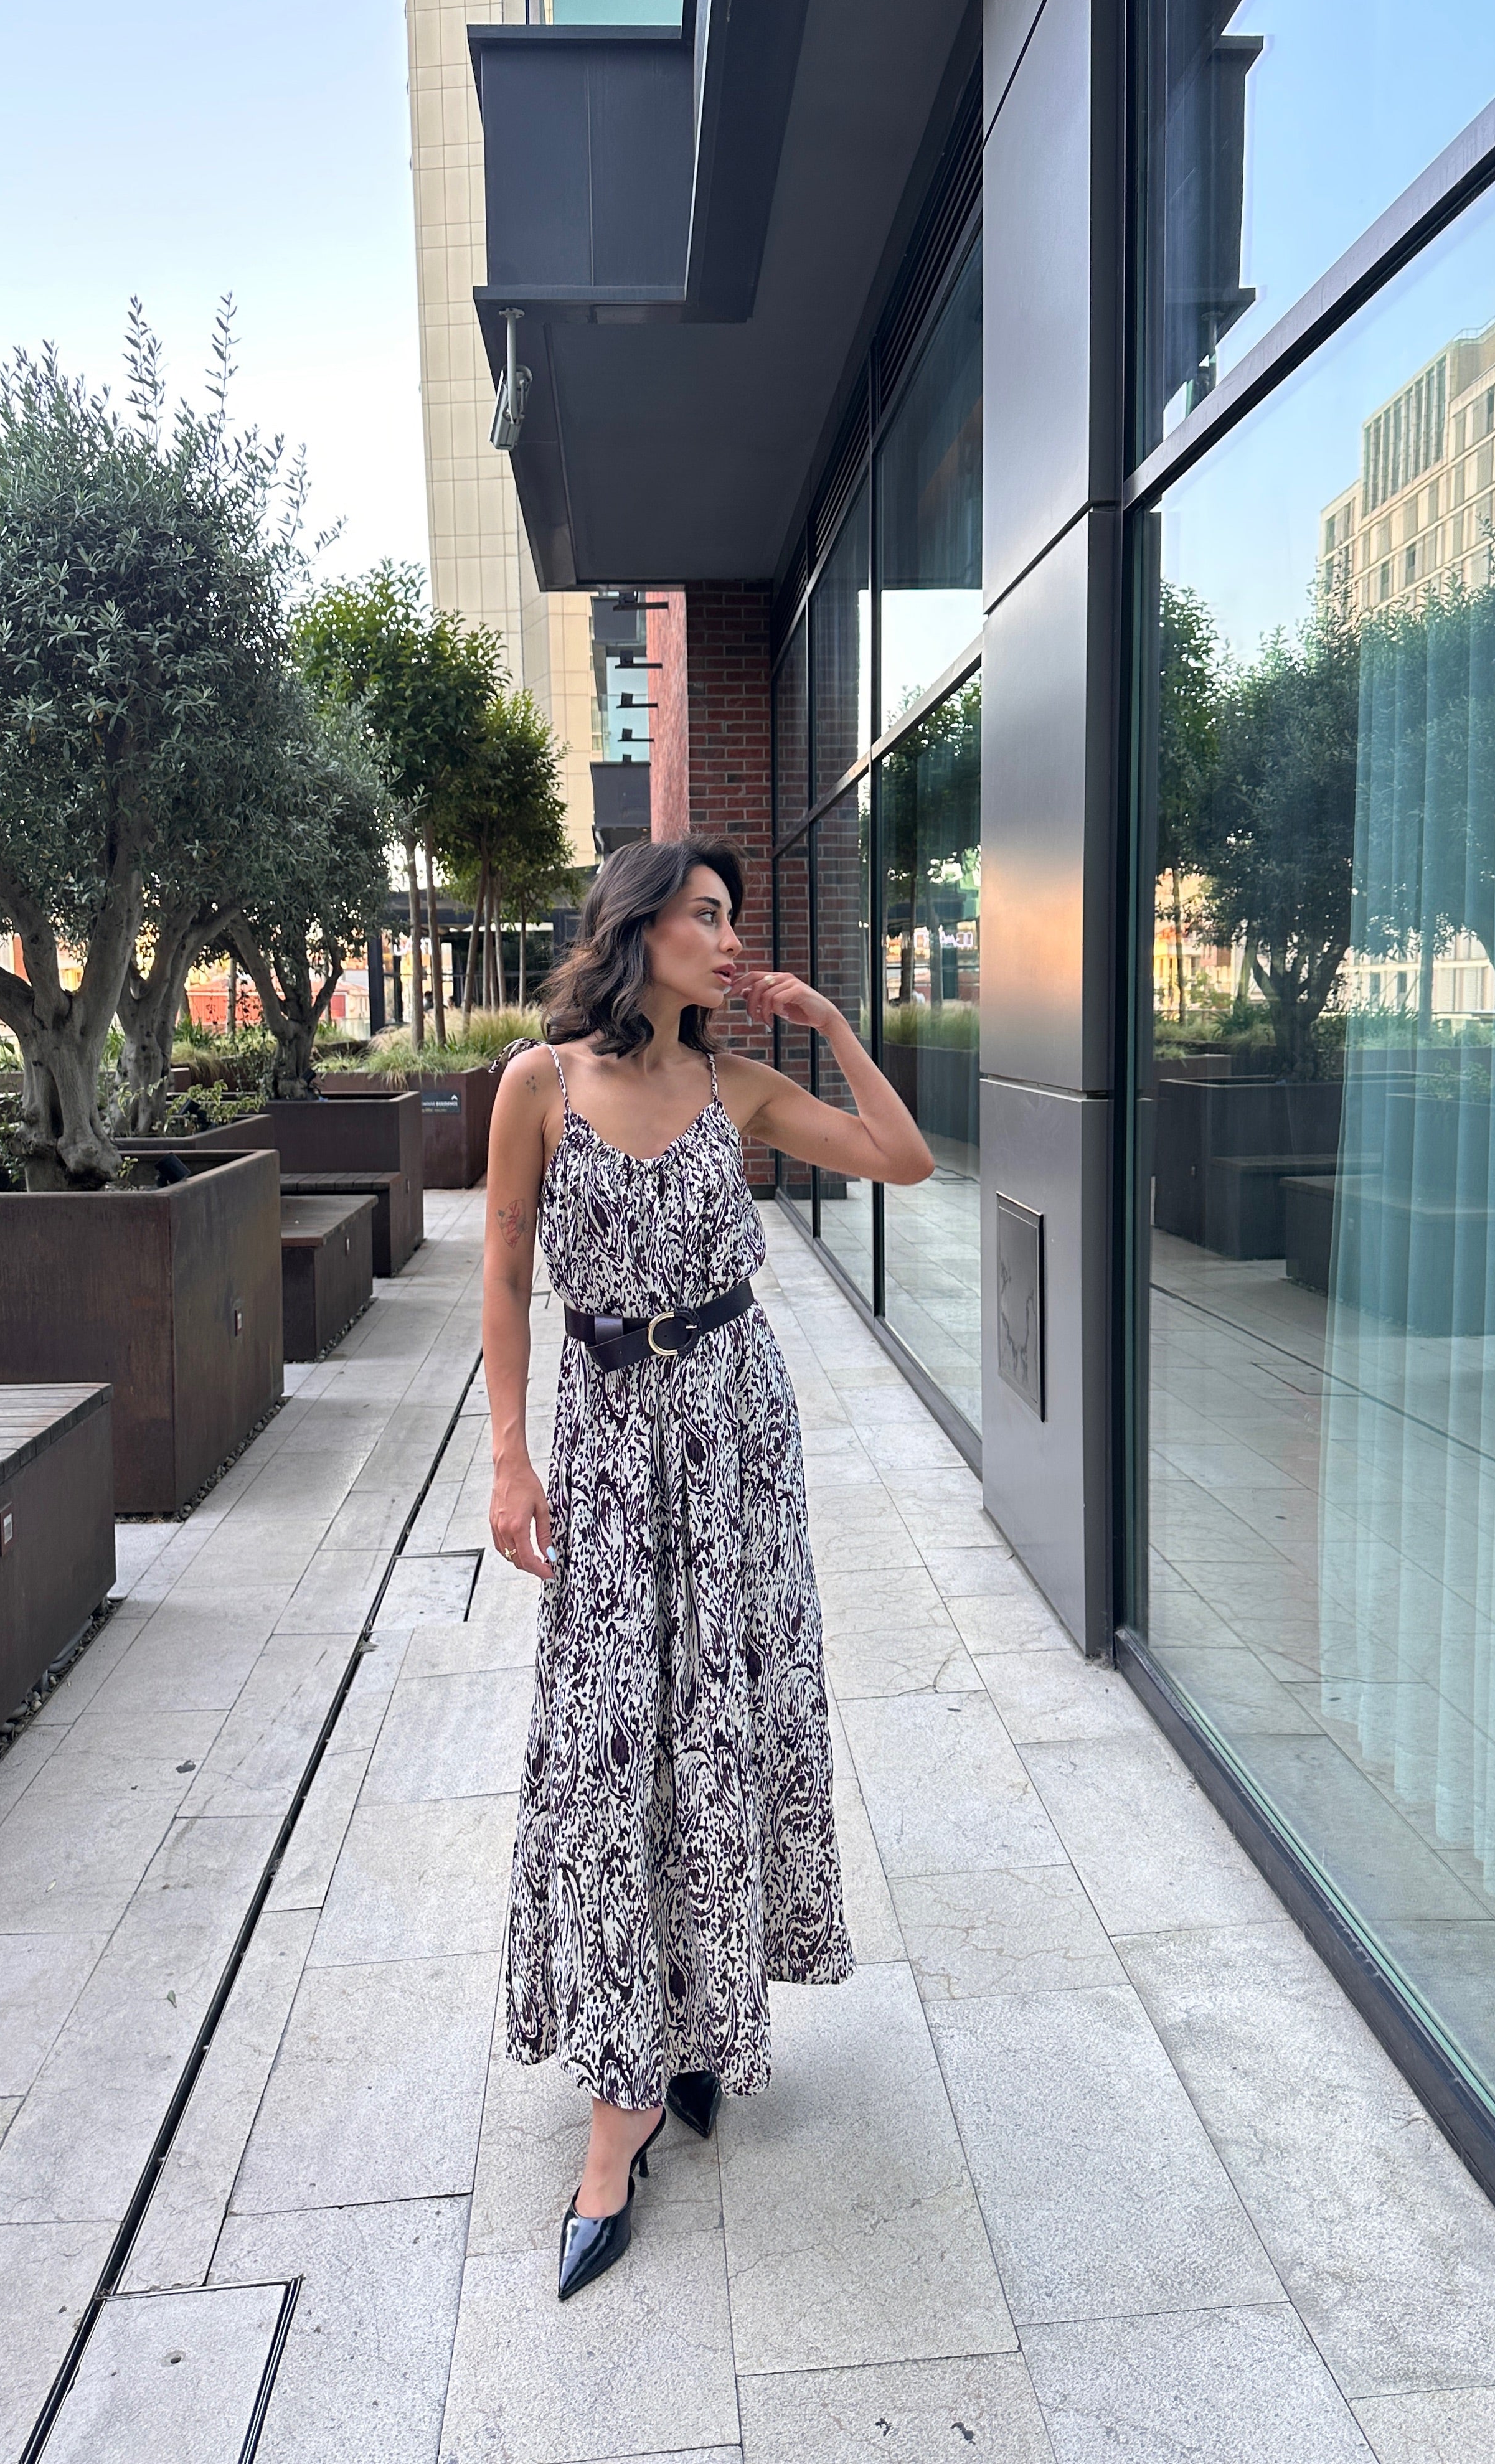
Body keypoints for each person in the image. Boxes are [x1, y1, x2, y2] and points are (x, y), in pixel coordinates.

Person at [482, 838, 934, 2300]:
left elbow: (905, 1159)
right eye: (708, 916)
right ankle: (624, 2086)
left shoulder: (738, 1088)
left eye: (735, 920)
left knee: (719, 1733)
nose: (732, 941)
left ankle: (682, 2031)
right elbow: (503, 1271)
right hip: (609, 1447)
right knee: (610, 1751)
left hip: (737, 1441)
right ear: (639, 928)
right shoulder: (538, 1085)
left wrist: (834, 1024)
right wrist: (508, 1455)